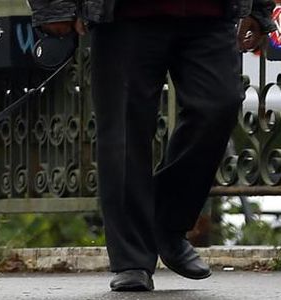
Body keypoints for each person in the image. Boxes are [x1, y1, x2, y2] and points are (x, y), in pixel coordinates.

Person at [28, 0, 276, 292]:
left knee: (218, 106)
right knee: (123, 131)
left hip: (210, 13)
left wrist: (259, 10)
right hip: (123, 16)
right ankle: (131, 261)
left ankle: (167, 221)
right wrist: (56, 8)